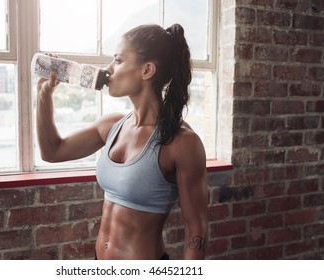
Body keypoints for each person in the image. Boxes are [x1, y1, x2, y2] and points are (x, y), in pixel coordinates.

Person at [36, 23, 208, 260]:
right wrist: (44, 97)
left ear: (147, 70)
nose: (108, 70)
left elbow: (196, 229)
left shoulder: (182, 143)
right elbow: (52, 152)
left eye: (117, 60)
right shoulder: (112, 125)